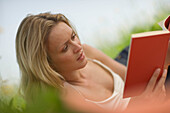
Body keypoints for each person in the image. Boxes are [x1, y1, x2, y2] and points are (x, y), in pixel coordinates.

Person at [15, 12, 170, 112]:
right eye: (65, 48)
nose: (78, 47)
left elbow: (132, 79)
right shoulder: (65, 95)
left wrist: (161, 63)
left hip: (133, 81)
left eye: (73, 36)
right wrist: (141, 105)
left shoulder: (86, 52)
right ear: (47, 64)